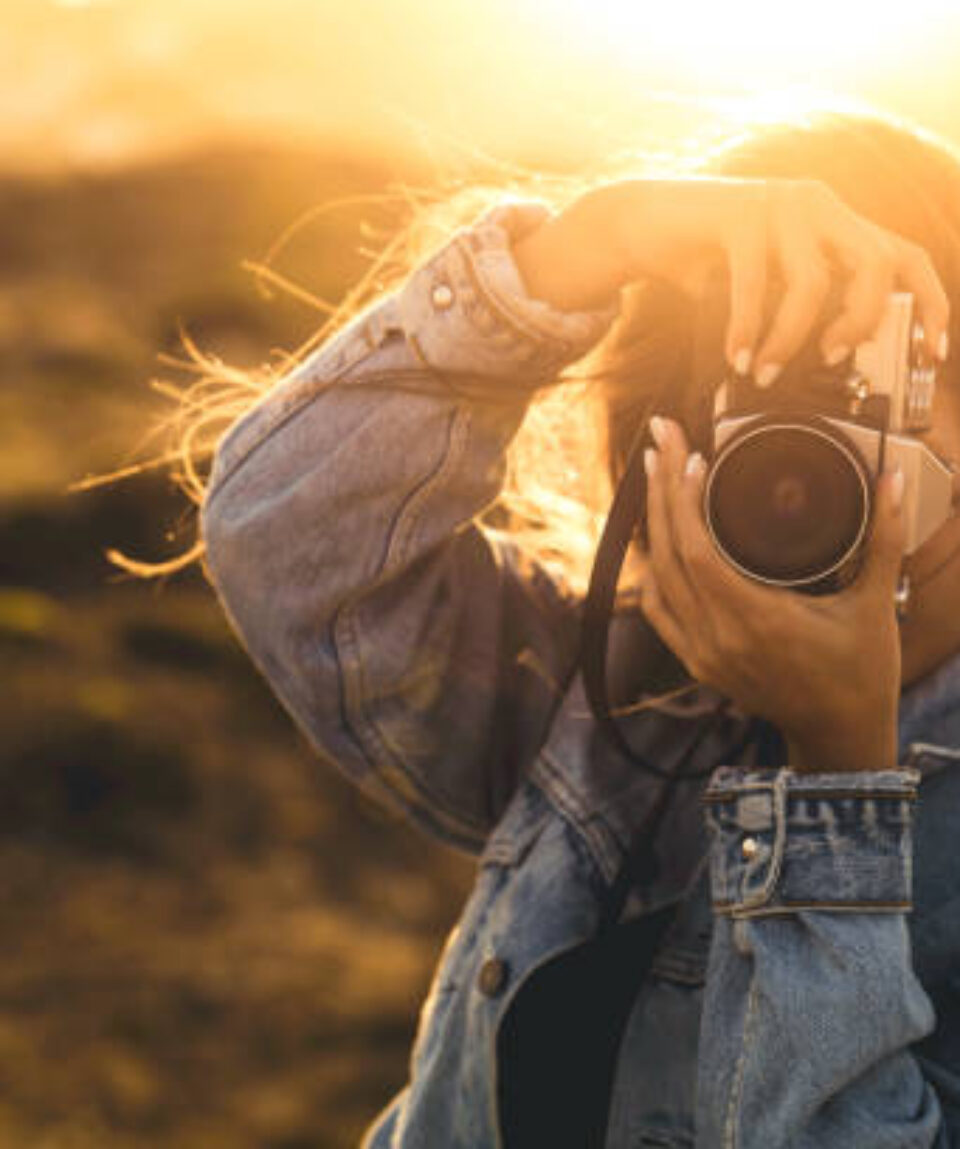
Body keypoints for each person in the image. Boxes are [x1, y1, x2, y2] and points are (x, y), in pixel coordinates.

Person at [197, 108, 960, 1146]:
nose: (817, 462)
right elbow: (288, 541)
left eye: (898, 386)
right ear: (664, 452)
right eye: (764, 397)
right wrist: (587, 248)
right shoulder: (610, 689)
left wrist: (836, 781)